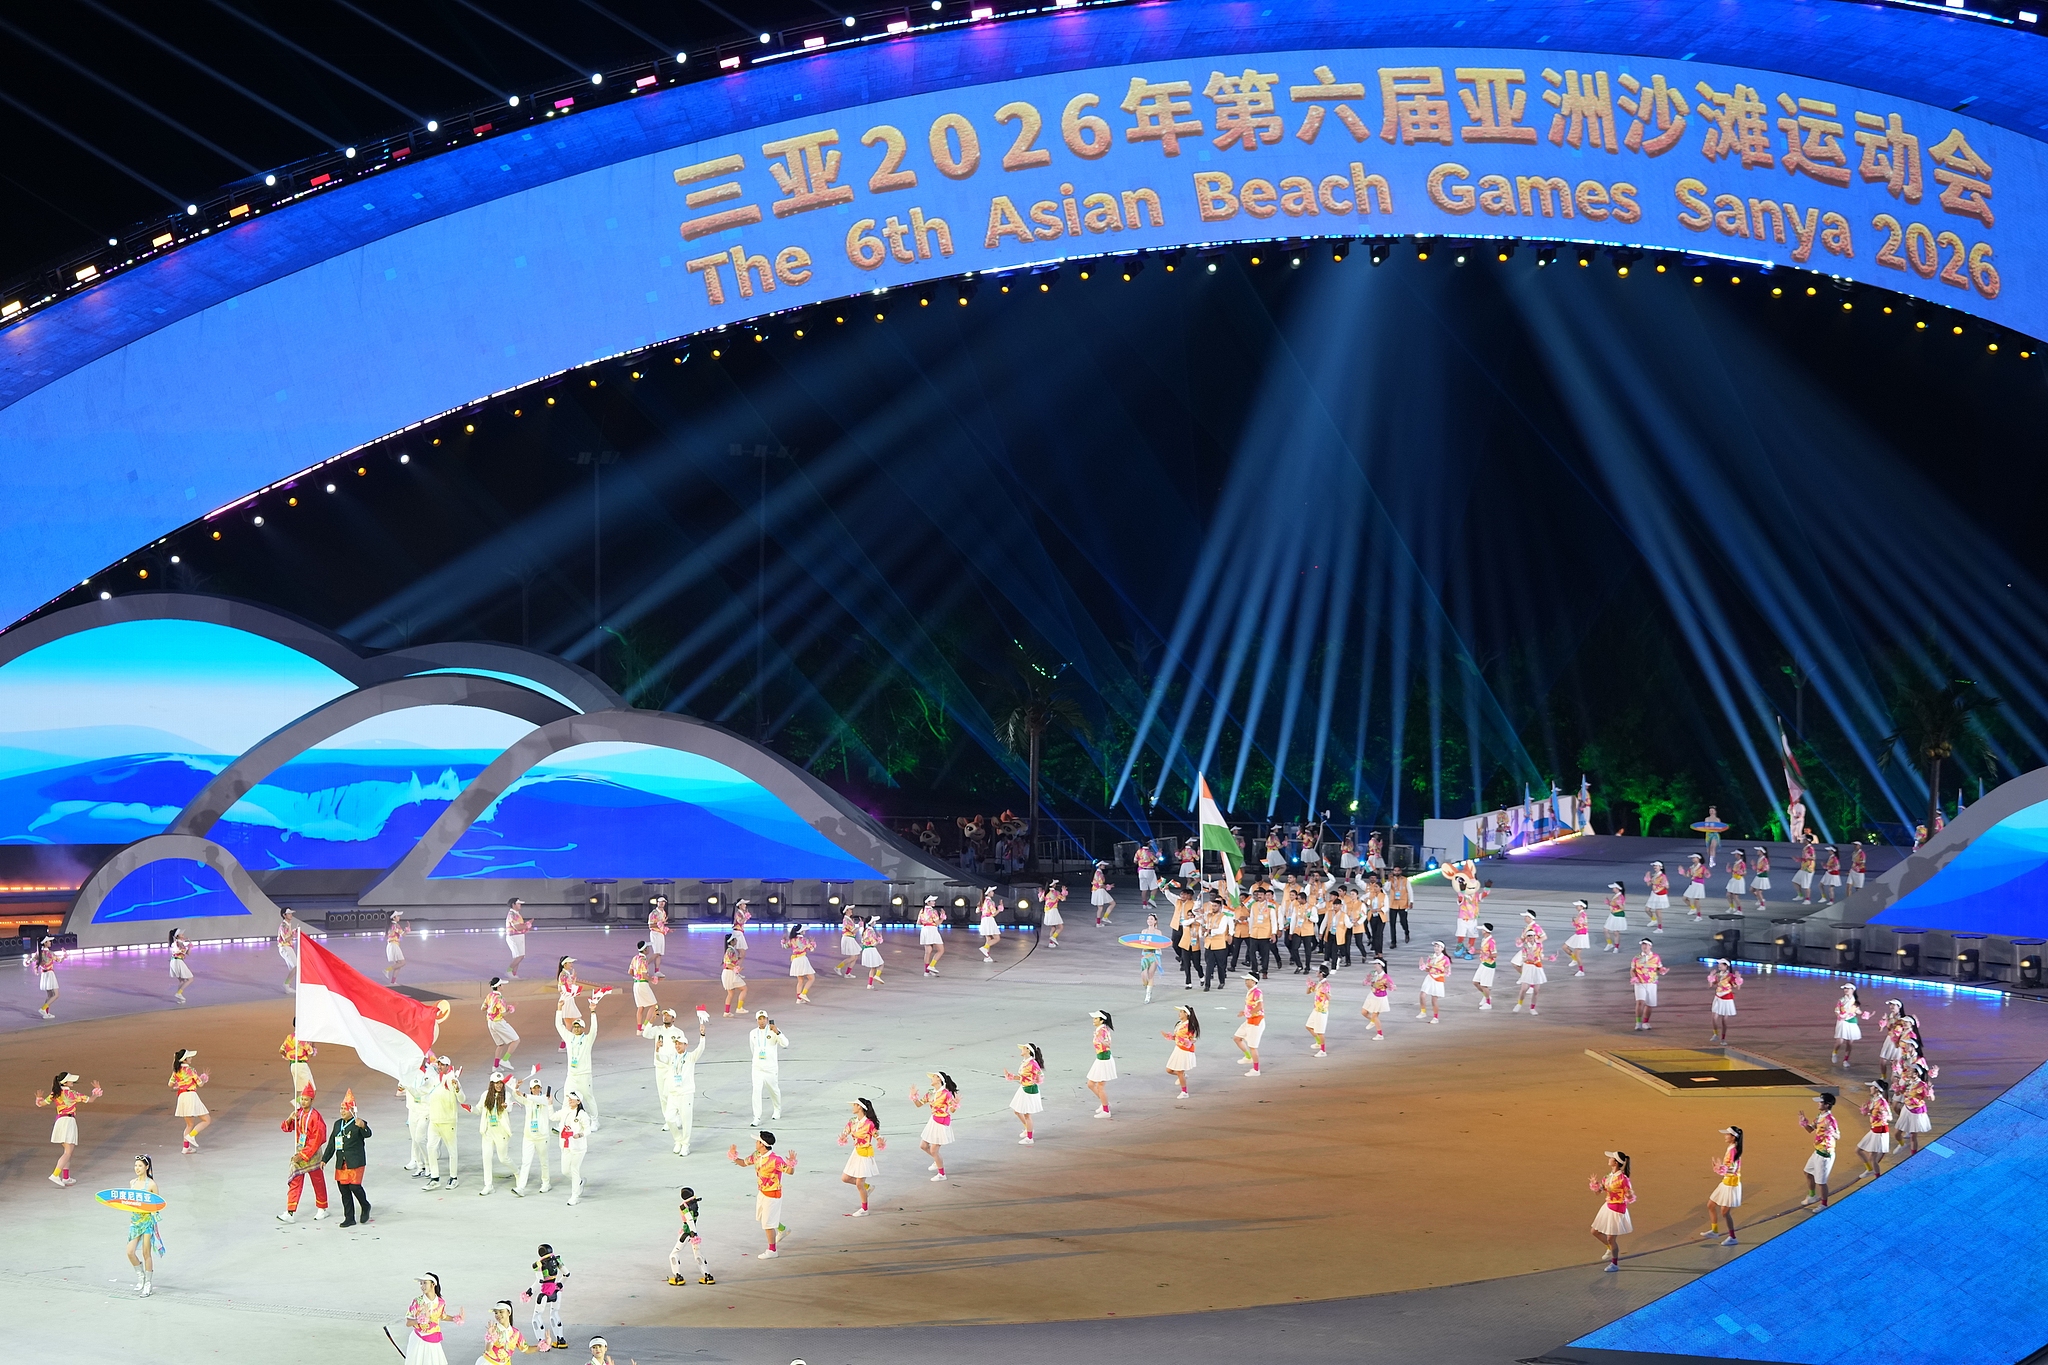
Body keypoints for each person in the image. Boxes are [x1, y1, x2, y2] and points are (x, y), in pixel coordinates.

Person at [727, 1131, 796, 1258]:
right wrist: (734, 1156)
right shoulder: (757, 1155)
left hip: (773, 1194)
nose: (755, 1142)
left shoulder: (776, 1160)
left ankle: (772, 1250)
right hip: (762, 1192)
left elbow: (790, 1172)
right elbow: (743, 1163)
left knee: (767, 1224)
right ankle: (782, 1229)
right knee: (763, 1218)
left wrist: (791, 1163)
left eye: (757, 1141)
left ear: (762, 1144)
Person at [276, 1083, 330, 1222]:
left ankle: (322, 1208)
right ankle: (290, 1212)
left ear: (312, 1100)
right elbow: (286, 1128)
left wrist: (303, 1155)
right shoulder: (298, 1113)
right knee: (295, 1180)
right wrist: (290, 1119)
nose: (303, 1101)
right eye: (302, 1099)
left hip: (312, 1154)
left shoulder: (316, 1117)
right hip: (300, 1152)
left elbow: (317, 1138)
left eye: (306, 1099)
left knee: (317, 1181)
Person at [36, 1070, 100, 1186]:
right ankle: (55, 1174)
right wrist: (96, 1092)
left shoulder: (54, 1094)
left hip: (60, 1122)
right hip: (68, 1122)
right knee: (68, 1153)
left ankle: (66, 1177)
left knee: (68, 1152)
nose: (73, 1082)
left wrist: (39, 1099)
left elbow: (41, 1104)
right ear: (65, 1083)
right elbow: (90, 1100)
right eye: (71, 1080)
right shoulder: (72, 1094)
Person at [321, 1088, 373, 1225]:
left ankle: (365, 1205)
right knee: (344, 1190)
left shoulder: (358, 1123)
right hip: (341, 1163)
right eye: (341, 1108)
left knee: (355, 1187)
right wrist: (324, 1159)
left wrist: (363, 1127)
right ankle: (349, 1218)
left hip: (355, 1162)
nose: (342, 1111)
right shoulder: (338, 1124)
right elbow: (332, 1142)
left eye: (345, 1109)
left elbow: (368, 1134)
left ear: (351, 1111)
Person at [661, 1010, 710, 1156]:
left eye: (680, 1044)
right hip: (673, 1093)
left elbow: (701, 1049)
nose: (677, 1046)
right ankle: (678, 1140)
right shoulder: (672, 1057)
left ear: (686, 1045)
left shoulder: (690, 1057)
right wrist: (657, 1048)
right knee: (669, 1118)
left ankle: (685, 1144)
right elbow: (660, 1058)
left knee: (686, 1120)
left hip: (686, 1093)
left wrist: (702, 1036)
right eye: (676, 1044)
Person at [556, 992, 605, 1130]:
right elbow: (559, 1025)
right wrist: (559, 1009)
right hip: (571, 1075)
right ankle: (564, 1124)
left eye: (578, 1026)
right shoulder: (569, 1037)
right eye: (575, 1026)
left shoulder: (588, 1039)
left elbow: (594, 1029)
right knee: (567, 1099)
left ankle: (595, 1121)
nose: (576, 1028)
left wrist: (593, 1012)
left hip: (584, 1075)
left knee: (589, 1098)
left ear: (583, 1028)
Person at [124, 1155, 163, 1296]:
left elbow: (158, 1205)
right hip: (135, 1222)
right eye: (135, 1165)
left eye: (140, 1166)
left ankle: (148, 1283)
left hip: (147, 1222)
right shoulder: (132, 1183)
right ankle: (140, 1276)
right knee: (130, 1251)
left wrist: (149, 1210)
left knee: (146, 1252)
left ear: (147, 1167)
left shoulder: (151, 1184)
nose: (137, 1168)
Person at [1589, 1151, 1634, 1271]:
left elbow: (1629, 1196)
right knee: (1594, 1231)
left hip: (1617, 1210)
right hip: (1607, 1207)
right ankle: (1610, 1248)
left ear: (1615, 1162)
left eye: (1611, 1158)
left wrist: (1629, 1195)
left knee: (1611, 1238)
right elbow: (1599, 1191)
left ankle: (1614, 1264)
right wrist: (1595, 1184)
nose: (1609, 1159)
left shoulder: (1623, 1179)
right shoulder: (1608, 1177)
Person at [838, 1098, 885, 1213]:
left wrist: (879, 1141)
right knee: (845, 1178)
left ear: (860, 1107)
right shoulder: (852, 1121)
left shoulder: (869, 1124)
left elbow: (876, 1135)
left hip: (865, 1154)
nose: (853, 1107)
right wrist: (843, 1137)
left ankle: (864, 1209)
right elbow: (845, 1131)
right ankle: (867, 1187)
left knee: (859, 1183)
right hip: (856, 1153)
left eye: (854, 1105)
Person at [424, 1060, 465, 1190]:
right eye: (439, 1064)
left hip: (448, 1121)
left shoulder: (452, 1079)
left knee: (452, 1150)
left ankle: (454, 1178)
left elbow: (462, 1099)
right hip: (434, 1121)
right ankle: (434, 1178)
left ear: (448, 1066)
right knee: (431, 1147)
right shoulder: (435, 1079)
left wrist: (457, 1088)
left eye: (442, 1064)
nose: (440, 1066)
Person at [406, 1272, 463, 1365]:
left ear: (433, 1284)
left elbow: (442, 1316)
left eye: (425, 1283)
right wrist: (420, 1320)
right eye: (421, 1283)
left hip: (434, 1340)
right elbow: (408, 1323)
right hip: (419, 1339)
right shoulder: (417, 1302)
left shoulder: (441, 1302)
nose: (422, 1286)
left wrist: (456, 1318)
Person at [912, 1072, 960, 1180]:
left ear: (939, 1079)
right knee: (923, 1146)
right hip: (933, 1121)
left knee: (934, 1150)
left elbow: (952, 1110)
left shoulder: (946, 1093)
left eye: (933, 1077)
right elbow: (919, 1104)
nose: (931, 1079)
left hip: (942, 1122)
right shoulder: (931, 1093)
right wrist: (914, 1097)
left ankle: (942, 1174)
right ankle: (936, 1160)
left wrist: (955, 1104)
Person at [513, 1076, 554, 1197]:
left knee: (543, 1161)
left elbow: (538, 1099)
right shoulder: (528, 1100)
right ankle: (521, 1187)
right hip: (529, 1136)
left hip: (542, 1137)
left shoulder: (545, 1099)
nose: (536, 1089)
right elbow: (516, 1095)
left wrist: (525, 1094)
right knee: (525, 1162)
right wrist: (516, 1087)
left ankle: (546, 1183)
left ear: (541, 1088)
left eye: (538, 1087)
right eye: (534, 1088)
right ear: (531, 1089)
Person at [476, 1072, 515, 1195]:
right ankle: (488, 1185)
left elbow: (509, 1107)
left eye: (501, 1083)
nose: (499, 1085)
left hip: (501, 1131)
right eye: (496, 1083)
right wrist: (469, 1108)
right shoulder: (485, 1095)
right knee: (486, 1157)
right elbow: (479, 1109)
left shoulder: (506, 1095)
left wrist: (504, 1106)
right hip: (488, 1131)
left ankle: (518, 1173)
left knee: (503, 1158)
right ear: (491, 1084)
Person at [1798, 1092, 1839, 1209]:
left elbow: (1838, 1136)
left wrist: (1830, 1131)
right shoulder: (1819, 1116)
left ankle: (1824, 1204)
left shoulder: (1830, 1120)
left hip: (1825, 1154)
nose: (1818, 1104)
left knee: (1821, 1182)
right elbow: (1810, 1129)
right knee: (1808, 1172)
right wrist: (1804, 1122)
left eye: (1820, 1102)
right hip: (1817, 1151)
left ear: (1827, 1105)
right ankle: (1812, 1196)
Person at [1701, 1127, 1742, 1246]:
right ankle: (1714, 1231)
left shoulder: (1733, 1150)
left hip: (1731, 1185)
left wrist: (1720, 1168)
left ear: (1733, 1137)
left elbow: (1732, 1169)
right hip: (1726, 1182)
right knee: (1710, 1205)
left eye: (1727, 1135)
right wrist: (1719, 1168)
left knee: (1725, 1213)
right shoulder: (1731, 1148)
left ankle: (1733, 1237)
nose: (1725, 1136)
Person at [667, 1187, 715, 1285]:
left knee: (674, 1254)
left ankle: (678, 1276)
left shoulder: (684, 1206)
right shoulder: (694, 1204)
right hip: (693, 1233)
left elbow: (689, 1219)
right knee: (698, 1255)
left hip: (687, 1233)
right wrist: (695, 1233)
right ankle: (707, 1276)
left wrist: (693, 1232)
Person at [748, 1010, 788, 1125]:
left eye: (764, 1018)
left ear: (767, 1019)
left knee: (774, 1090)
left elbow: (785, 1044)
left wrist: (778, 1032)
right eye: (759, 1019)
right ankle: (757, 1117)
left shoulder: (774, 1031)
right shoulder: (753, 1033)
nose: (762, 1021)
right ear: (756, 1020)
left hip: (770, 1068)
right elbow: (753, 1049)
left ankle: (777, 1110)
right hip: (757, 1068)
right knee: (756, 1091)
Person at [525, 1247, 569, 1350]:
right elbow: (567, 1274)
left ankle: (542, 1343)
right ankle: (561, 1340)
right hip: (556, 1292)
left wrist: (530, 1291)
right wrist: (560, 1284)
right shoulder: (556, 1260)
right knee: (554, 1314)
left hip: (544, 1294)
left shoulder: (540, 1264)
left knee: (536, 1317)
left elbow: (540, 1280)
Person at [400, 1056, 438, 1176]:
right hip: (413, 1109)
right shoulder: (409, 1072)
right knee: (414, 1138)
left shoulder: (431, 1072)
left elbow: (429, 1089)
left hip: (425, 1110)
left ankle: (428, 1165)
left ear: (425, 1059)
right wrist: (401, 1086)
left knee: (420, 1139)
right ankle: (419, 1165)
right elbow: (401, 1087)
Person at [170, 1048, 210, 1152]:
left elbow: (170, 1084)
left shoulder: (176, 1071)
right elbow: (200, 1083)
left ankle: (186, 1147)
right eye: (189, 1057)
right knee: (206, 1119)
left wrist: (179, 1084)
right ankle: (191, 1136)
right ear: (185, 1059)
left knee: (189, 1124)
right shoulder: (190, 1070)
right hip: (191, 1096)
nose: (191, 1058)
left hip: (182, 1097)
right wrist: (204, 1078)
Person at [555, 1092, 592, 1205]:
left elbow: (588, 1130)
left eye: (572, 1099)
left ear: (578, 1101)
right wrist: (550, 1104)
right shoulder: (565, 1111)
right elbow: (552, 1116)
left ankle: (575, 1196)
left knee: (574, 1169)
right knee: (565, 1171)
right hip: (566, 1145)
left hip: (578, 1147)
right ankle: (579, 1182)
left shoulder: (582, 1114)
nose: (570, 1100)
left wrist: (579, 1135)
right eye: (569, 1099)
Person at [1005, 1042, 1047, 1141]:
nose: (1021, 1050)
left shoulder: (1032, 1063)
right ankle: (1027, 1129)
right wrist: (1011, 1076)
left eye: (1023, 1048)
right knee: (1017, 1111)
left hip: (1029, 1090)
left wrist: (1037, 1079)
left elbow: (1040, 1075)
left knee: (1027, 1114)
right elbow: (1022, 1076)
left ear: (1028, 1050)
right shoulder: (1025, 1062)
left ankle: (1029, 1137)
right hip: (1023, 1088)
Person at [1857, 1080, 1893, 1180]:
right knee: (1858, 1150)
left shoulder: (1882, 1102)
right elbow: (1867, 1114)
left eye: (1872, 1087)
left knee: (1872, 1158)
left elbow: (1890, 1117)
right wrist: (1865, 1110)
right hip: (1873, 1130)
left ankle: (1877, 1177)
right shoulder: (1873, 1100)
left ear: (1877, 1089)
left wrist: (1883, 1116)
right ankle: (1870, 1170)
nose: (1870, 1088)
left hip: (1880, 1132)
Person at [1162, 1003, 1200, 1098]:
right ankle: (1182, 1076)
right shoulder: (1179, 1024)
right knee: (1169, 1070)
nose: (1179, 1014)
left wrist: (1189, 1041)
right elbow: (1177, 1037)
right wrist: (1170, 1037)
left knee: (1179, 1071)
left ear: (1186, 1014)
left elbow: (1193, 1039)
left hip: (1185, 1051)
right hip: (1178, 1048)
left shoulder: (1189, 1026)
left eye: (1181, 1012)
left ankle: (1184, 1092)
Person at [1515, 912, 1549, 1015]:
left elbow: (1541, 956)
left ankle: (1532, 1008)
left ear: (1534, 937)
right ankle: (1519, 1004)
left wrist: (1548, 958)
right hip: (1528, 967)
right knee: (1524, 989)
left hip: (1538, 968)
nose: (1529, 938)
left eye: (1531, 936)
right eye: (1528, 936)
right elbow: (1524, 959)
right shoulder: (1525, 947)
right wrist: (1529, 957)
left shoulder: (1539, 946)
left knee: (1537, 991)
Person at [1084, 1010, 1117, 1117]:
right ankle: (1105, 1104)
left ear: (1101, 1020)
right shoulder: (1100, 1029)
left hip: (1104, 1059)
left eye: (1096, 1018)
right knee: (1090, 1084)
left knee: (1100, 1086)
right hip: (1100, 1059)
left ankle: (1106, 1111)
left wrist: (1101, 1040)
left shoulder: (1101, 1030)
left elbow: (1108, 1044)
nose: (1093, 1020)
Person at [1233, 972, 1266, 1076]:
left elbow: (1260, 1006)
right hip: (1249, 1020)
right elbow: (1251, 1006)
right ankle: (1248, 1057)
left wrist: (1248, 1013)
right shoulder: (1250, 991)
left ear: (1253, 981)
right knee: (1237, 1038)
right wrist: (1245, 1012)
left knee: (1253, 1047)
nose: (1246, 982)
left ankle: (1256, 1070)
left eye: (1248, 980)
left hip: (1256, 1022)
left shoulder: (1257, 991)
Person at [1630, 940, 1668, 1031]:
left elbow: (1659, 968)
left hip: (1652, 983)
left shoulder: (1656, 957)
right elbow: (1632, 970)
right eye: (1643, 945)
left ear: (1650, 946)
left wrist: (1662, 970)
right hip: (1640, 983)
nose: (1644, 947)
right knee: (1640, 1002)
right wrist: (1634, 978)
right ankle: (1638, 1023)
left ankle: (1645, 1022)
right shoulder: (1636, 958)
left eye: (1646, 945)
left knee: (1649, 1004)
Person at [1832, 984, 1871, 1066]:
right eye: (1845, 988)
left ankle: (1845, 1060)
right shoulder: (1841, 1000)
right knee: (1840, 1041)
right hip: (1842, 1021)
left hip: (1852, 1021)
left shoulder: (1855, 1002)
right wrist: (1839, 1016)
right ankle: (1835, 1053)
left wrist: (1865, 1014)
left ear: (1852, 990)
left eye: (1847, 988)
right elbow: (1836, 1010)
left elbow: (1857, 1011)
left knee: (1849, 1042)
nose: (1845, 990)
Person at [485, 977, 520, 1068]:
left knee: (500, 1044)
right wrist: (512, 1009)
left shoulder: (489, 996)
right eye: (502, 985)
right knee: (516, 1040)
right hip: (498, 1022)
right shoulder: (500, 998)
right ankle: (505, 1060)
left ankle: (495, 1066)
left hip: (490, 1023)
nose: (503, 986)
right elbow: (503, 1014)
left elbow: (483, 1008)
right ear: (499, 986)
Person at [1708, 958, 1742, 1044]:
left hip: (1726, 998)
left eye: (1721, 965)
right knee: (1714, 1017)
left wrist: (1738, 979)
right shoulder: (1718, 975)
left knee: (1724, 1020)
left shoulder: (1730, 976)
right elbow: (1711, 985)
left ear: (1726, 966)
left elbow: (1737, 988)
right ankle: (1715, 1034)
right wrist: (1711, 977)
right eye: (1719, 965)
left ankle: (1723, 1038)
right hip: (1717, 997)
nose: (1719, 966)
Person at [280, 1021, 317, 1097]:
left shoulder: (289, 1037)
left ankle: (299, 1106)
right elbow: (311, 1053)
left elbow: (281, 1050)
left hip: (293, 1065)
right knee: (311, 1089)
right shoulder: (302, 1038)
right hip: (301, 1065)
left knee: (301, 1089)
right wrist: (313, 1044)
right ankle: (297, 1104)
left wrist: (288, 1056)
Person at [1416, 941, 1449, 1023]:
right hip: (1430, 977)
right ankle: (1423, 1012)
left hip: (1438, 979)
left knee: (1434, 1000)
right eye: (1435, 946)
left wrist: (1441, 969)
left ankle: (1435, 1017)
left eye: (1438, 946)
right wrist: (1422, 966)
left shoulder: (1445, 959)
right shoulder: (1431, 957)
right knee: (1422, 995)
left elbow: (1447, 971)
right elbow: (1428, 969)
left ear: (1442, 948)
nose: (1436, 948)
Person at [629, 942, 658, 1029]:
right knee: (654, 1005)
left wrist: (636, 976)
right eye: (648, 947)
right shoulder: (644, 960)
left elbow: (630, 972)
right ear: (645, 950)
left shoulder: (635, 958)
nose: (649, 949)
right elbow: (645, 975)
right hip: (643, 984)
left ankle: (639, 1028)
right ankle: (645, 1025)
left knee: (640, 1007)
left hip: (636, 984)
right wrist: (652, 979)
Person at [1305, 965, 1332, 1055]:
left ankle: (1323, 1051)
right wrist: (1309, 986)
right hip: (1316, 1009)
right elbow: (1308, 992)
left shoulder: (1326, 984)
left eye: (1317, 971)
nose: (1316, 972)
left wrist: (1325, 992)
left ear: (1321, 973)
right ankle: (1318, 1043)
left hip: (1322, 1011)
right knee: (1309, 1026)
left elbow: (1329, 998)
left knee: (1320, 1032)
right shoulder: (1319, 983)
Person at [1361, 957, 1390, 1040]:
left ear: (1380, 965)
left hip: (1380, 997)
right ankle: (1373, 1021)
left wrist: (1390, 986)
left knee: (1375, 1015)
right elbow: (1365, 983)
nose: (1374, 966)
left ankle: (1380, 1034)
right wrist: (1367, 980)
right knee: (1363, 1012)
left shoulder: (1385, 977)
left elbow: (1391, 986)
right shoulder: (1373, 973)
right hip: (1372, 994)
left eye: (1376, 964)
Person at [720, 934, 748, 1016]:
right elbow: (728, 964)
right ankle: (739, 1008)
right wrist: (736, 968)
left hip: (728, 973)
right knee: (744, 989)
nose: (736, 941)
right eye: (735, 940)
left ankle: (727, 1012)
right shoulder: (730, 951)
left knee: (731, 993)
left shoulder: (730, 950)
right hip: (730, 974)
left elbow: (730, 962)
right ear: (731, 941)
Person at [1137, 912, 1163, 1002]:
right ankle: (1147, 986)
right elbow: (1141, 943)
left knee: (1151, 975)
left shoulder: (1158, 932)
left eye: (1151, 919)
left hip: (1154, 955)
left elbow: (1160, 944)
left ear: (1155, 921)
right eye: (1148, 919)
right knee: (1143, 975)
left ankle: (1148, 995)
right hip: (1145, 954)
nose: (1149, 921)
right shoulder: (1144, 931)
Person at [917, 896, 946, 974]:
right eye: (932, 901)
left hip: (924, 930)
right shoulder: (933, 911)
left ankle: (926, 971)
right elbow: (938, 923)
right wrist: (943, 916)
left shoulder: (922, 910)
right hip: (932, 930)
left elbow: (918, 923)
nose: (934, 902)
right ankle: (932, 966)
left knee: (928, 952)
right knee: (941, 950)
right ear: (928, 902)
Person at [1471, 923, 1497, 1010]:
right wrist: (1475, 951)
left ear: (1485, 931)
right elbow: (1483, 951)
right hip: (1483, 963)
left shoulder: (1491, 941)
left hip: (1488, 965)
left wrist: (1487, 956)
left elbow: (1495, 954)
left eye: (1482, 929)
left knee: (1484, 985)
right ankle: (1486, 996)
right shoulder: (1484, 939)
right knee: (1475, 982)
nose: (1481, 931)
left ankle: (1488, 1003)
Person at [35, 936, 61, 1018]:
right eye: (49, 941)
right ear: (45, 943)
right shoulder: (50, 953)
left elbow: (28, 962)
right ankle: (43, 1009)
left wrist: (34, 967)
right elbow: (59, 960)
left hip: (44, 975)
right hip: (50, 974)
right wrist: (65, 955)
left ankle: (45, 1013)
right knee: (56, 995)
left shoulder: (38, 953)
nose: (50, 943)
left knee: (50, 995)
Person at [505, 898, 531, 978]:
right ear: (513, 905)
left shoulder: (516, 914)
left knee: (519, 956)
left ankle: (513, 974)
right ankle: (509, 971)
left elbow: (520, 926)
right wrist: (527, 925)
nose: (520, 905)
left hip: (518, 936)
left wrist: (526, 925)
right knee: (519, 956)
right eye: (518, 904)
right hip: (514, 937)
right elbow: (517, 927)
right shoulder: (512, 914)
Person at [167, 927, 194, 1002]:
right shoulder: (177, 943)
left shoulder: (177, 942)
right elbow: (184, 950)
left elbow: (187, 953)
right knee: (190, 979)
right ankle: (179, 993)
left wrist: (189, 946)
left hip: (175, 961)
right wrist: (187, 944)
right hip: (178, 961)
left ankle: (179, 997)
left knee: (182, 981)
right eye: (181, 934)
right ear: (177, 936)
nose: (183, 935)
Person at [278, 907, 301, 994]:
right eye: (289, 913)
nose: (291, 915)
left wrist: (294, 931)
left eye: (291, 913)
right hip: (285, 947)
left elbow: (289, 935)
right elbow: (285, 939)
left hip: (287, 947)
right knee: (296, 966)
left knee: (293, 968)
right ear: (284, 915)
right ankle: (286, 984)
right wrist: (294, 935)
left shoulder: (288, 925)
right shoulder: (284, 925)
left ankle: (288, 986)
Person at [859, 915, 886, 989]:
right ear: (872, 922)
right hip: (871, 950)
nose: (876, 922)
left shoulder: (866, 930)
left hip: (866, 950)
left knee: (873, 967)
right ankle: (877, 976)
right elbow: (873, 943)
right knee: (881, 964)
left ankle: (869, 984)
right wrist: (880, 939)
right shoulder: (871, 931)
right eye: (875, 921)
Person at [1564, 901, 1590, 976]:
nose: (1576, 907)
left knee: (1577, 954)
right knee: (1565, 947)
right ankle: (1574, 959)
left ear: (1582, 906)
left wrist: (1576, 922)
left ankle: (1581, 971)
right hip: (1578, 934)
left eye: (1578, 905)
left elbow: (1584, 923)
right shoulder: (1580, 914)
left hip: (1581, 935)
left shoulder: (1583, 914)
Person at [1387, 867, 1412, 945]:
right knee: (1392, 924)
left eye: (1398, 871)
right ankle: (1393, 942)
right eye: (1395, 871)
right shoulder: (1391, 880)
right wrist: (1388, 880)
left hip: (1403, 904)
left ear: (1400, 871)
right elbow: (1386, 889)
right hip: (1393, 904)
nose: (1396, 872)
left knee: (1403, 922)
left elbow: (1410, 891)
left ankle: (1406, 932)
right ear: (1393, 871)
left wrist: (1411, 901)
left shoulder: (1405, 880)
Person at [1641, 862, 1668, 933]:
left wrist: (1663, 885)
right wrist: (1647, 878)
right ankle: (1653, 919)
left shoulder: (1663, 876)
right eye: (1654, 866)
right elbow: (1649, 884)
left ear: (1661, 867)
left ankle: (1660, 928)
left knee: (1658, 912)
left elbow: (1667, 886)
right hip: (1653, 894)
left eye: (1656, 865)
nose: (1655, 867)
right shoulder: (1654, 875)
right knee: (1647, 909)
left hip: (1660, 895)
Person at [646, 896, 669, 980]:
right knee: (656, 952)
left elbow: (662, 925)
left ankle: (657, 971)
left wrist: (667, 929)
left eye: (663, 902)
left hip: (661, 934)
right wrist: (661, 923)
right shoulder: (654, 913)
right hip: (655, 933)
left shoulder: (663, 912)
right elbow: (651, 925)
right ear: (657, 903)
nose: (662, 903)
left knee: (659, 953)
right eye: (660, 902)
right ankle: (643, 966)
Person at [978, 889, 1003, 962]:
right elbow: (994, 913)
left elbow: (977, 910)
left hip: (983, 920)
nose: (993, 892)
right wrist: (1000, 908)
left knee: (988, 939)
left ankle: (987, 957)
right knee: (997, 938)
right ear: (988, 893)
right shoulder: (990, 902)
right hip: (989, 920)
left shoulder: (982, 901)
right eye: (992, 891)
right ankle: (985, 947)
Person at [836, 906, 862, 979]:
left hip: (851, 938)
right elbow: (853, 931)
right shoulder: (846, 920)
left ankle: (848, 973)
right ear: (846, 911)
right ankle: (838, 967)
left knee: (855, 956)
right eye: (850, 909)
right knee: (853, 957)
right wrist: (860, 926)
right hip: (848, 939)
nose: (851, 910)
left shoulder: (849, 919)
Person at [384, 910, 408, 985]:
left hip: (392, 945)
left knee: (398, 964)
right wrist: (407, 930)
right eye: (397, 916)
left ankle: (393, 982)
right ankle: (387, 970)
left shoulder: (391, 925)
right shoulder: (396, 925)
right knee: (402, 962)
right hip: (394, 945)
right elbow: (403, 934)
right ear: (394, 918)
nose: (399, 917)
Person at [1042, 879, 1067, 947]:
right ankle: (1053, 937)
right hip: (1053, 911)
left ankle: (1051, 943)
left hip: (1047, 911)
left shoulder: (1046, 892)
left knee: (1053, 928)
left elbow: (1040, 899)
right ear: (1053, 885)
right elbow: (1063, 899)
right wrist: (1064, 892)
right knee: (1061, 927)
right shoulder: (1055, 892)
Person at [1092, 861, 1116, 926]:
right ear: (1099, 865)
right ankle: (1102, 920)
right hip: (1099, 891)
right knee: (1110, 904)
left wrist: (1107, 886)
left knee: (1102, 907)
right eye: (1103, 865)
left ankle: (1101, 921)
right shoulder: (1099, 873)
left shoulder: (1098, 872)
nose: (1104, 866)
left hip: (1097, 890)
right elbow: (1100, 885)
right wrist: (1108, 886)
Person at [1135, 841, 1159, 908]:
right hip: (1149, 870)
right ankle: (1151, 899)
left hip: (1141, 871)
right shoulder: (1149, 852)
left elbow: (1135, 861)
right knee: (1155, 887)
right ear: (1148, 843)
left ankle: (1144, 905)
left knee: (1143, 889)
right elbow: (1156, 861)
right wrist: (1158, 855)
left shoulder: (1138, 851)